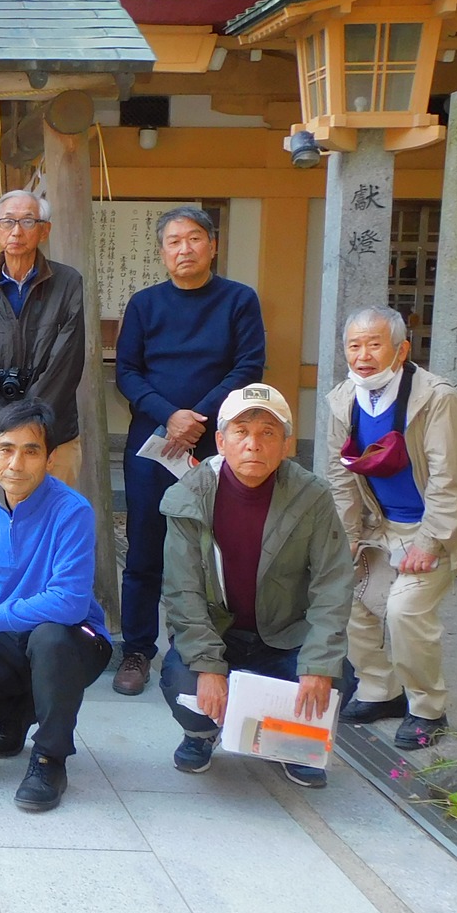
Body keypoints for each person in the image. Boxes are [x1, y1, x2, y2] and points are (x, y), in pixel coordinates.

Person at [159, 383, 353, 788]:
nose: (253, 445)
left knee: (337, 677)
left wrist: (317, 664)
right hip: (220, 632)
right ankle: (201, 734)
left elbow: (332, 584)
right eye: (241, 432)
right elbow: (182, 591)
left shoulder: (311, 496)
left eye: (268, 433)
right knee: (184, 677)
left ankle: (293, 744)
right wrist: (209, 666)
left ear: (286, 445)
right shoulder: (189, 497)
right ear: (220, 441)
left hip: (284, 635)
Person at [323, 306, 457, 751]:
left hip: (437, 525)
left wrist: (429, 540)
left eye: (374, 344)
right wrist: (347, 540)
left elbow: (451, 477)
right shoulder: (343, 399)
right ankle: (380, 691)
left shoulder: (436, 397)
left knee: (405, 612)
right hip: (380, 525)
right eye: (354, 345)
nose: (363, 355)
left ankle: (427, 707)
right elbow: (340, 478)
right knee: (352, 599)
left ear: (400, 350)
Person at [0, 398, 112, 814]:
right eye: (6, 449)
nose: (17, 463)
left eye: (32, 451)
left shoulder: (72, 511)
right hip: (4, 638)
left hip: (73, 640)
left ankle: (50, 758)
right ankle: (17, 716)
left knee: (49, 639)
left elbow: (68, 601)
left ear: (49, 459)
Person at [111, 205, 266, 697]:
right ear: (162, 252)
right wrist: (168, 415)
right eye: (174, 241)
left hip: (218, 442)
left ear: (212, 245)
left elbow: (248, 366)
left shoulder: (239, 301)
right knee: (144, 545)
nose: (184, 249)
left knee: (213, 548)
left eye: (194, 238)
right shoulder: (145, 304)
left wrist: (196, 415)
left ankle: (205, 650)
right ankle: (137, 649)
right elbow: (127, 372)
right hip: (153, 442)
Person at [0, 189, 87, 488]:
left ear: (44, 230)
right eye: (8, 222)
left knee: (52, 525)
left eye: (28, 221)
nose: (16, 231)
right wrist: (5, 429)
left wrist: (29, 426)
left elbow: (65, 365)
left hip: (53, 436)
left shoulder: (68, 284)